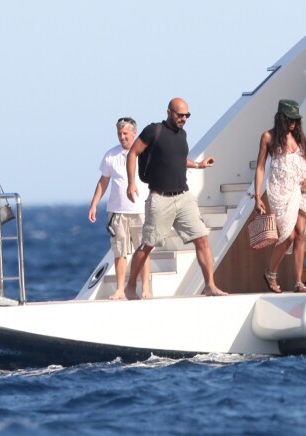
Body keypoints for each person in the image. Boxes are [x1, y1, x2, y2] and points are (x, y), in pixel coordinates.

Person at [125, 97, 227, 299]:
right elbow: (133, 153)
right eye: (180, 115)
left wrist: (199, 165)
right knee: (147, 245)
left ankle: (210, 286)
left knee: (202, 240)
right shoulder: (153, 131)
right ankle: (130, 287)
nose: (183, 119)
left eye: (186, 115)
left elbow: (178, 160)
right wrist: (131, 183)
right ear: (169, 112)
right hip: (160, 198)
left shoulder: (182, 134)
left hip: (183, 196)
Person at [88, 117, 151, 299]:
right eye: (119, 134)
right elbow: (103, 182)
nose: (122, 137)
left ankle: (145, 287)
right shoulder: (110, 155)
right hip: (117, 211)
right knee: (119, 251)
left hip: (141, 210)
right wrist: (94, 204)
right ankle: (120, 289)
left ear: (134, 133)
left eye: (125, 133)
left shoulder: (145, 152)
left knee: (143, 250)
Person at [254, 99, 306, 293]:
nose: (293, 123)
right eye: (289, 119)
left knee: (301, 234)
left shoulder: (299, 136)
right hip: (280, 191)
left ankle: (298, 282)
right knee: (288, 235)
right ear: (281, 118)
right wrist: (257, 196)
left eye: (295, 119)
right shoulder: (268, 136)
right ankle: (270, 272)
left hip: (300, 190)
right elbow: (260, 167)